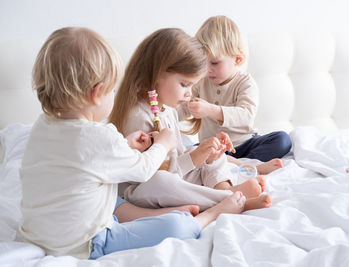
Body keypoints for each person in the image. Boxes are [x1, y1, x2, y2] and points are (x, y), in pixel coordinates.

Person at [18, 27, 247, 260]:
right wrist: (163, 144)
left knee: (109, 194)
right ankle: (211, 214)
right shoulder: (99, 136)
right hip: (87, 243)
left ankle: (158, 211)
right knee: (176, 228)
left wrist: (125, 145)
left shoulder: (41, 127)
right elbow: (145, 169)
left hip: (36, 235)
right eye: (112, 90)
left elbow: (85, 162)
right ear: (97, 93)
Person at [109, 28, 271, 212]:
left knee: (208, 151)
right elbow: (149, 173)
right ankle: (230, 200)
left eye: (192, 86)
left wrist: (206, 153)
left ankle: (225, 189)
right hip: (144, 189)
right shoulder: (138, 116)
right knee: (163, 182)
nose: (189, 93)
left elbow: (178, 157)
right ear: (156, 74)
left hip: (177, 174)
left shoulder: (167, 107)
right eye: (184, 84)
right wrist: (193, 158)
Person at [179, 15, 292, 174]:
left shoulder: (245, 83)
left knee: (283, 140)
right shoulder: (201, 82)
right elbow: (181, 107)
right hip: (214, 147)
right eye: (203, 62)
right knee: (189, 152)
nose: (208, 69)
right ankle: (242, 166)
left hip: (245, 144)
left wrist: (211, 110)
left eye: (215, 63)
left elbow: (246, 115)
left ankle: (237, 164)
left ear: (237, 59)